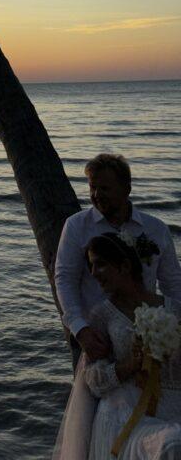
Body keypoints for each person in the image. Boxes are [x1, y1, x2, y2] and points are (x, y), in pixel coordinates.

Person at [53, 233, 181, 459]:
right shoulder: (102, 315)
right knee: (171, 444)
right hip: (126, 408)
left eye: (100, 264)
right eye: (90, 266)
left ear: (124, 266)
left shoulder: (174, 309)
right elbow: (92, 379)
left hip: (174, 403)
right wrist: (129, 365)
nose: (93, 273)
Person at [55, 153, 181, 362]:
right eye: (92, 188)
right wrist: (80, 329)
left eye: (104, 188)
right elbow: (65, 279)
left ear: (126, 189)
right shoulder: (76, 226)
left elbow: (173, 282)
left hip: (147, 335)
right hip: (96, 336)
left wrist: (174, 325)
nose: (96, 194)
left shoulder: (155, 229)